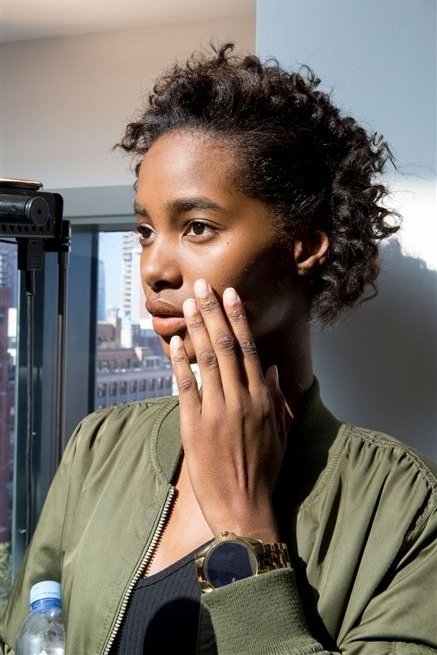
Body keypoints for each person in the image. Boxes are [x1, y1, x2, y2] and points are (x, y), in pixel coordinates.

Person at [1, 43, 436, 655]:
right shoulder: (99, 448)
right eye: (145, 230)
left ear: (303, 245)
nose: (153, 267)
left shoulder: (404, 508)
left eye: (197, 227)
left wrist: (245, 530)